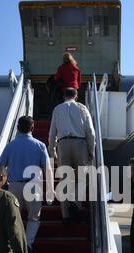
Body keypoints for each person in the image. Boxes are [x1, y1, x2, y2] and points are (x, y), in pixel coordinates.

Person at [0, 116, 54, 252]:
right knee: (34, 218)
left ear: (18, 128)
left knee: (13, 217)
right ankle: (28, 245)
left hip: (15, 185)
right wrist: (50, 191)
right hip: (33, 186)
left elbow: (0, 166)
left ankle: (14, 244)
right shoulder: (40, 145)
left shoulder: (10, 145)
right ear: (33, 128)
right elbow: (48, 169)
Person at [48, 88, 96, 223]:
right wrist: (91, 149)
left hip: (63, 144)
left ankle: (66, 216)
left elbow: (52, 133)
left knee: (64, 180)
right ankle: (75, 202)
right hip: (80, 144)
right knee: (82, 177)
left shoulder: (57, 109)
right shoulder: (82, 108)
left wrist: (52, 150)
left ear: (64, 96)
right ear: (76, 96)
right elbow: (90, 131)